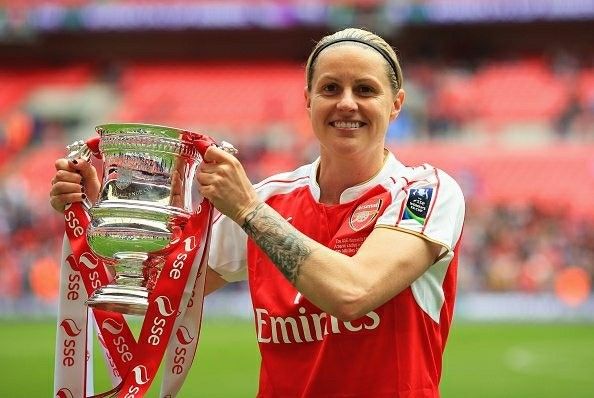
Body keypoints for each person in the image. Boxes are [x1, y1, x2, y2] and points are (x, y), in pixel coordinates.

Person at [50, 28, 465, 398]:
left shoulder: (427, 192)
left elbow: (353, 294)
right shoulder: (271, 196)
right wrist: (98, 216)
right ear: (308, 101)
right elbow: (156, 295)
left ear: (396, 104)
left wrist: (248, 210)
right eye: (330, 88)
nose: (347, 104)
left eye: (366, 90)